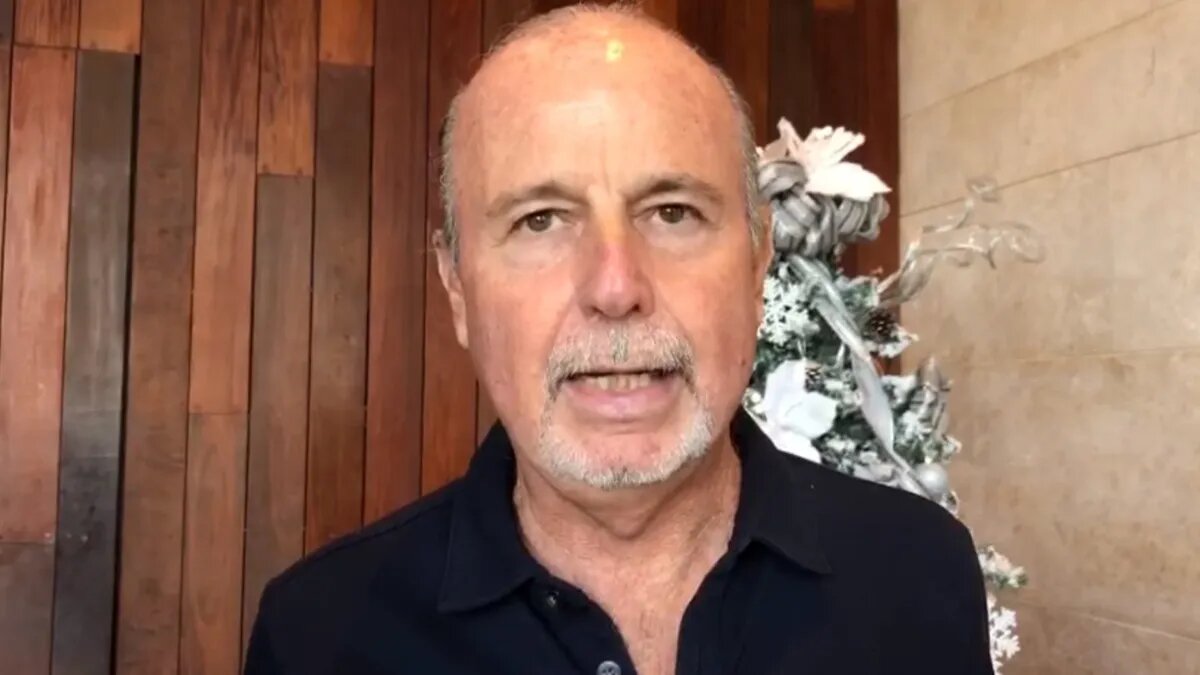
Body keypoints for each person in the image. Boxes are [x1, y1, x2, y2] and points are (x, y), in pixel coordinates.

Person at [245, 5, 993, 674]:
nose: (615, 286)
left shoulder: (919, 574)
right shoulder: (319, 639)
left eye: (672, 212)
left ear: (758, 262)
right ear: (457, 289)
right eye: (539, 220)